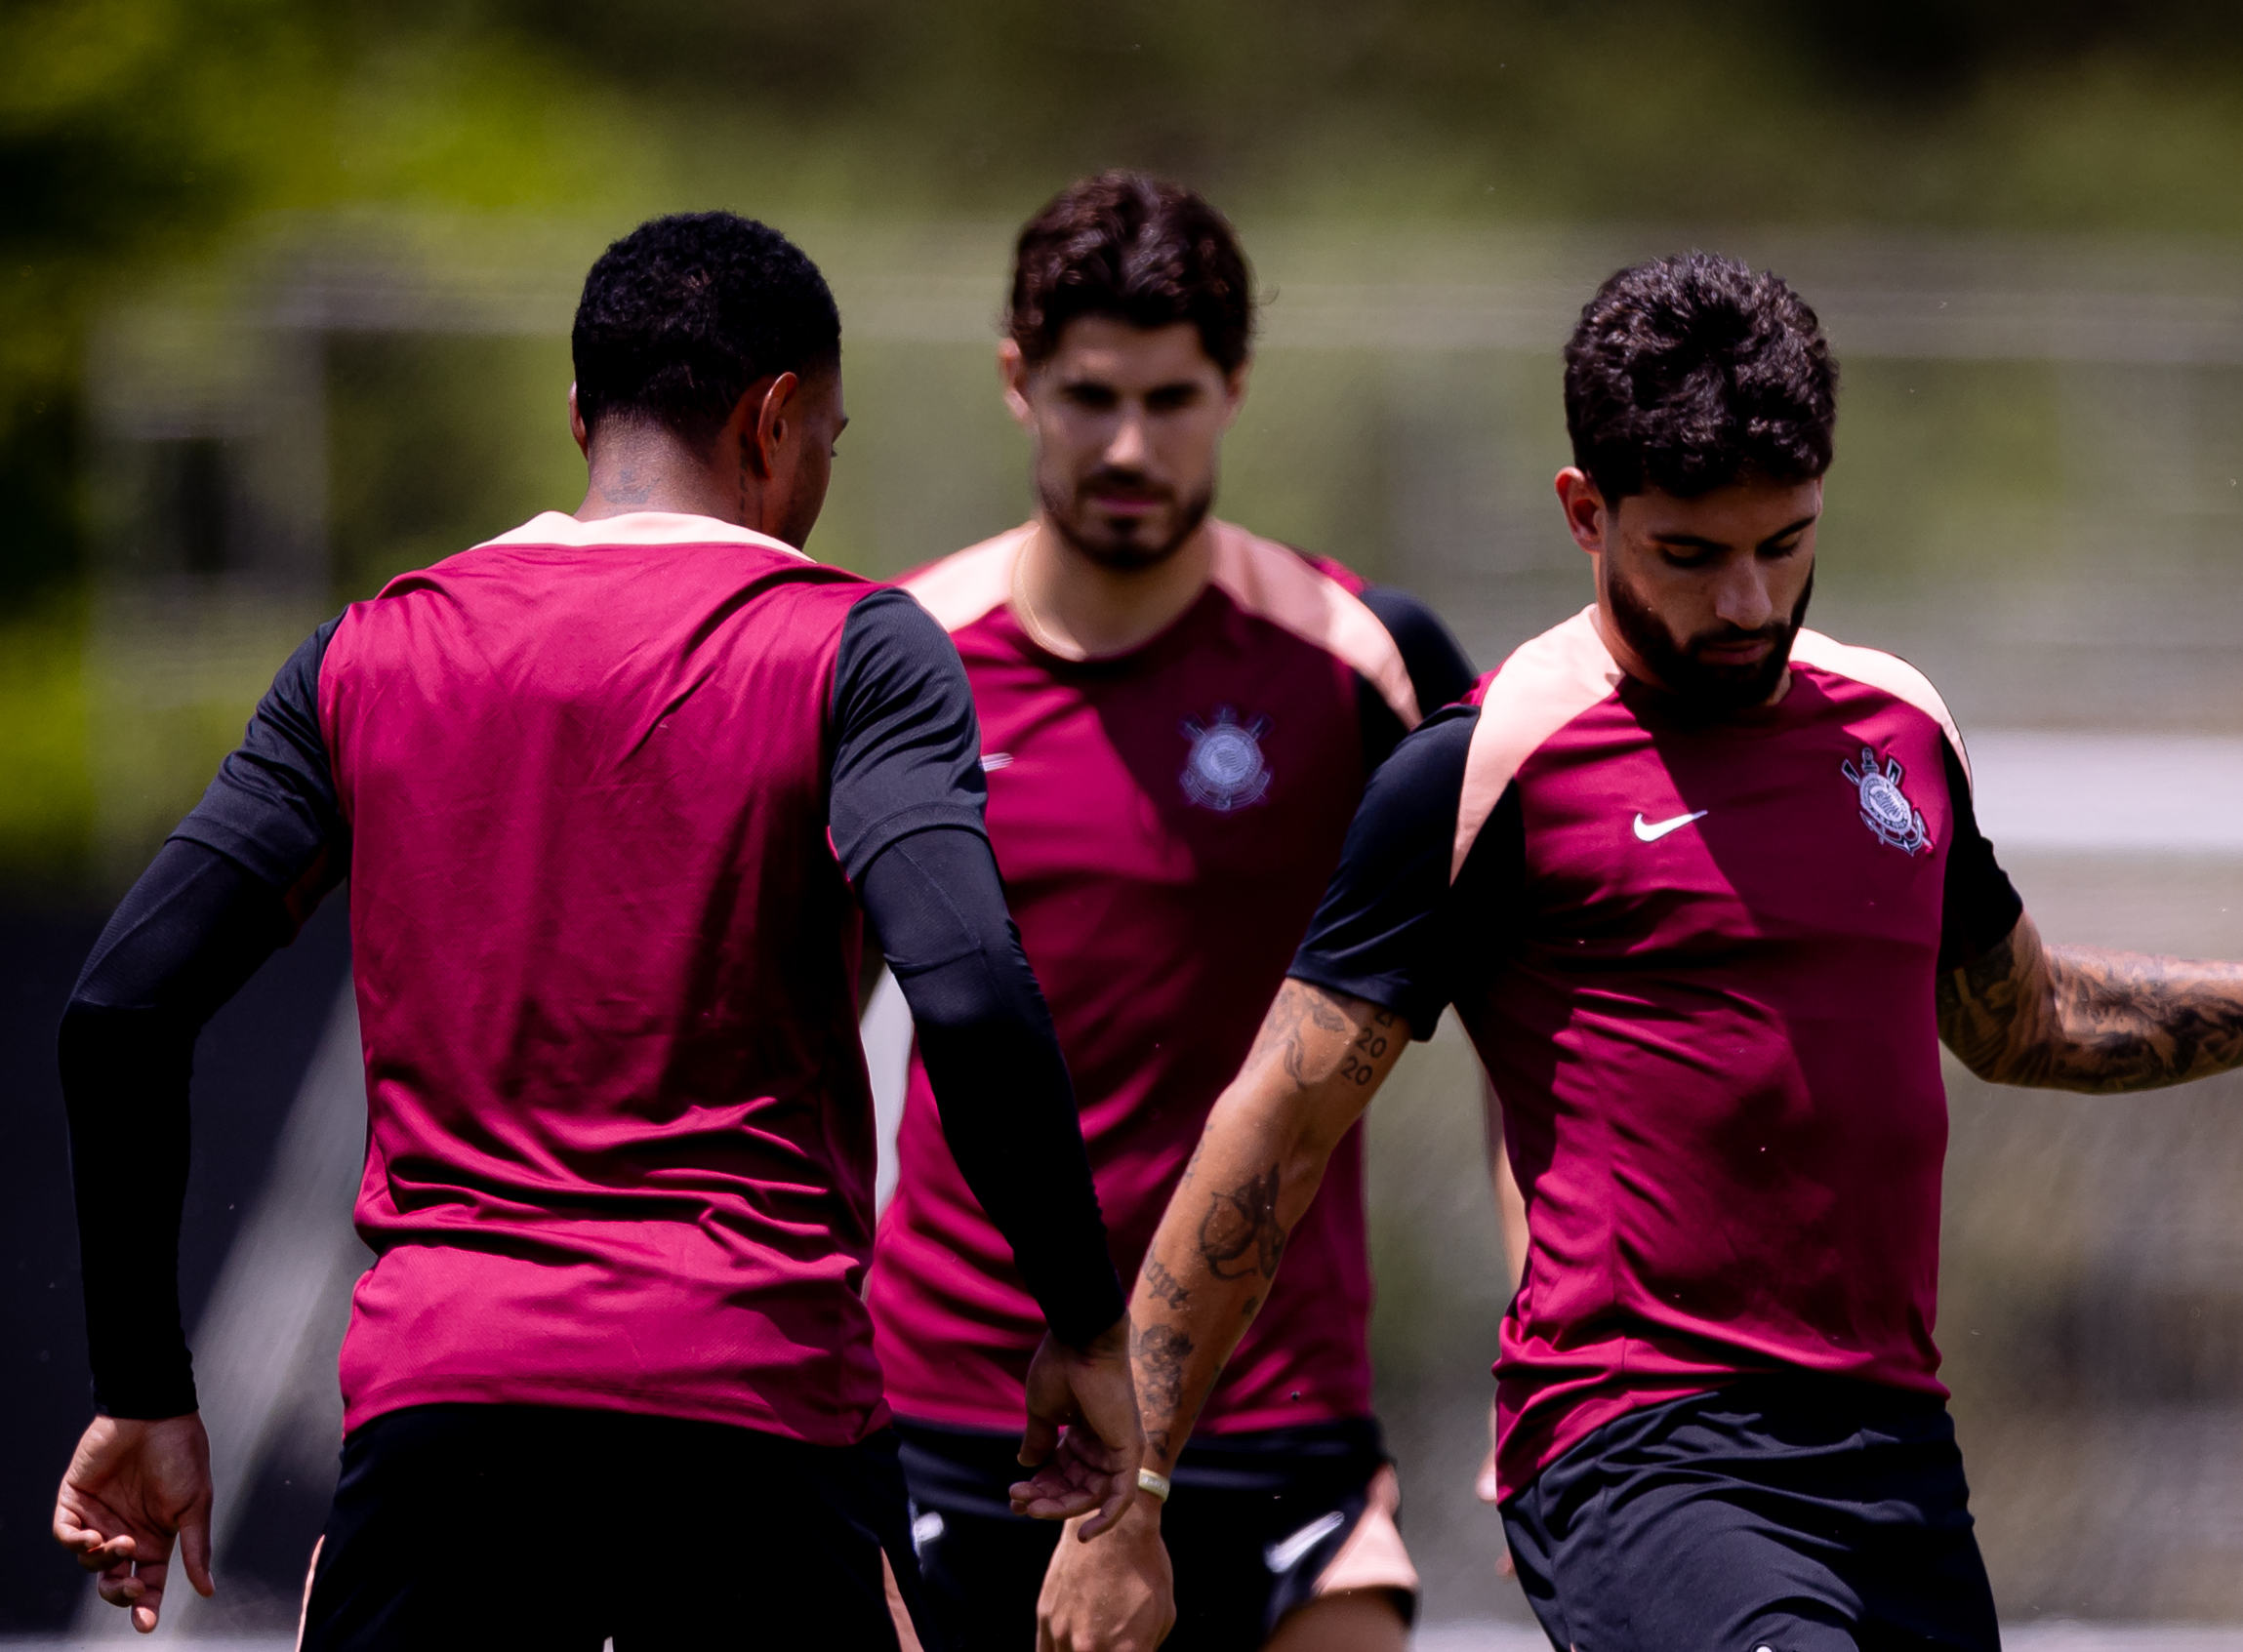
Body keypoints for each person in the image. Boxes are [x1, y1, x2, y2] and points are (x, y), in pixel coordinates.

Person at [1091, 251, 2243, 1652]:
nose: (1747, 602)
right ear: (1586, 512)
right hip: (1642, 1446)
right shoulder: (1487, 768)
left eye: (1784, 542)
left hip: (1892, 1450)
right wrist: (1129, 1494)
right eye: (1689, 556)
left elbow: (2028, 1018)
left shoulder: (1893, 731)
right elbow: (1276, 1121)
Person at [50, 210, 1143, 1649]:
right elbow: (976, 998)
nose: (821, 473)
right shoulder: (852, 650)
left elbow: (121, 1008)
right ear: (773, 422)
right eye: (828, 437)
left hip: (442, 1429)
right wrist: (1080, 1318)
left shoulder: (371, 650)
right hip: (754, 1415)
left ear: (579, 415)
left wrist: (143, 1384)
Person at [864, 172, 1477, 1652]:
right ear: (1017, 382)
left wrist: (1560, 1346)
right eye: (1087, 396)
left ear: (1235, 386)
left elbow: (1544, 1016)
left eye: (1170, 396)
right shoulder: (894, 658)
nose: (1127, 444)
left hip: (1271, 1403)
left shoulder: (1364, 663)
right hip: (959, 1401)